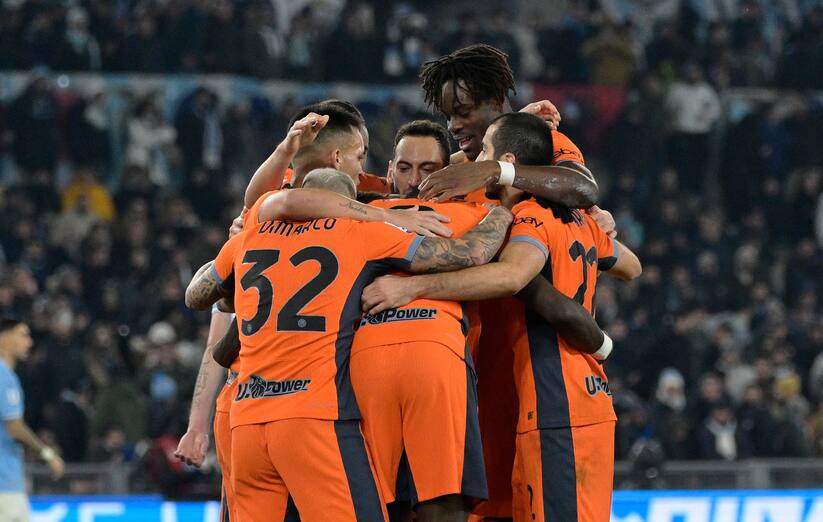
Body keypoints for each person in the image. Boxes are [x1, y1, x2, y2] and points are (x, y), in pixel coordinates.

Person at [185, 169, 514, 522]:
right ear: (348, 204)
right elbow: (469, 253)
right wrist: (500, 214)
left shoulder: (247, 237)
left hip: (247, 424)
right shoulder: (360, 232)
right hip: (314, 415)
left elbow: (197, 295)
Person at [360, 113, 642, 522]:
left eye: (484, 154)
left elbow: (512, 276)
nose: (473, 163)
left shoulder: (521, 217)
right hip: (585, 395)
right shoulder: (578, 218)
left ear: (506, 161)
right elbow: (631, 266)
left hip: (553, 399)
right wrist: (600, 343)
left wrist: (410, 287)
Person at [0, 318, 65, 522]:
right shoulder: (4, 377)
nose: (28, 342)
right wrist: (46, 453)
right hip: (4, 486)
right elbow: (15, 428)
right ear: (4, 339)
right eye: (23, 335)